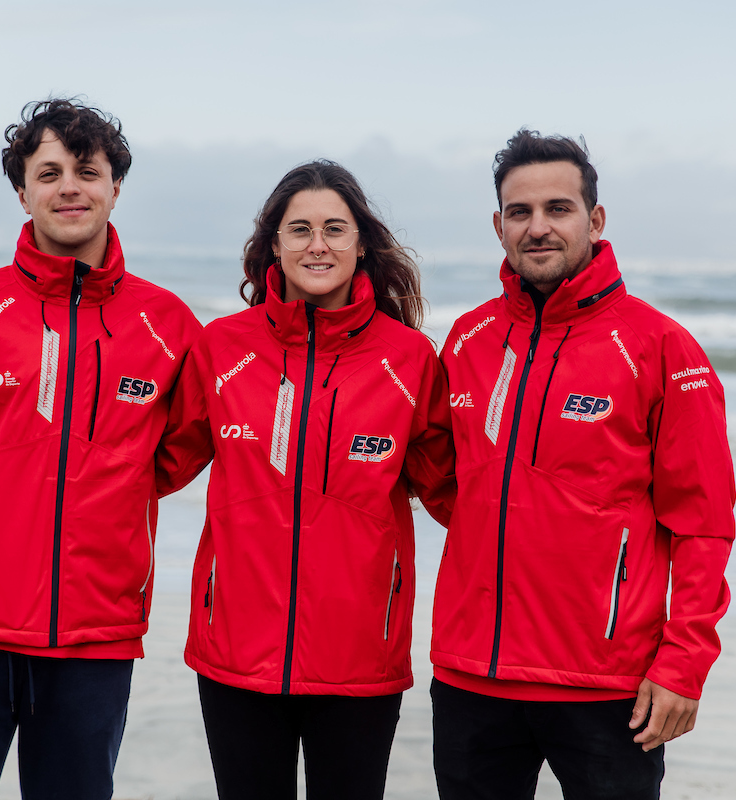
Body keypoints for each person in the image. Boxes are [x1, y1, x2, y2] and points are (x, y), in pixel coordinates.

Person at [0, 98, 201, 799]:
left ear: (116, 186)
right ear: (23, 193)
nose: (69, 188)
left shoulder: (167, 323)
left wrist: (115, 481)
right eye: (49, 173)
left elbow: (180, 450)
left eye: (87, 171)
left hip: (97, 631)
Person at [430, 129, 736, 799]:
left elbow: (704, 525)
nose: (538, 227)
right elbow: (446, 482)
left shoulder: (661, 346)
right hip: (472, 676)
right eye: (519, 212)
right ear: (499, 227)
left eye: (558, 209)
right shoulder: (469, 339)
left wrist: (684, 665)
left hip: (607, 685)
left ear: (595, 221)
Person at [156, 160, 455, 800]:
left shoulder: (408, 360)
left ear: (362, 244)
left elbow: (460, 496)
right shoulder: (222, 349)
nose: (317, 245)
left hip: (360, 659)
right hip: (235, 653)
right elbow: (152, 466)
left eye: (334, 229)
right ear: (274, 245)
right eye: (299, 229)